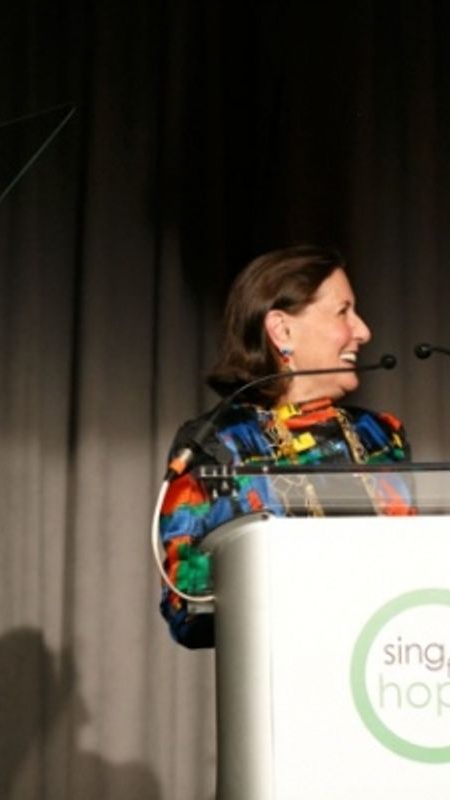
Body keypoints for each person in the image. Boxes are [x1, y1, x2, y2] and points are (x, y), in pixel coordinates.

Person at [157, 245, 411, 648]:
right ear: (282, 331)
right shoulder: (215, 445)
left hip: (390, 668)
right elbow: (185, 608)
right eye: (343, 311)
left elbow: (414, 572)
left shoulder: (378, 436)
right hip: (283, 681)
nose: (363, 331)